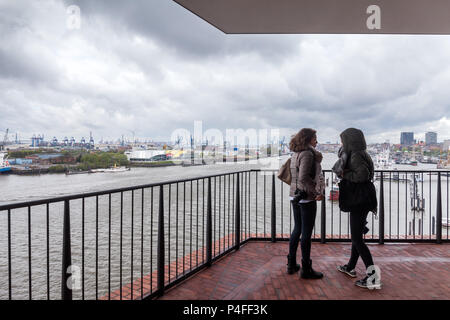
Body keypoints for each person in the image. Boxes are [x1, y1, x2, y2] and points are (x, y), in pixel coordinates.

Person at [332, 128, 381, 289]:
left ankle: (373, 277)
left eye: (343, 140)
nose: (341, 144)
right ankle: (350, 266)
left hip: (359, 199)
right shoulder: (363, 153)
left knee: (357, 239)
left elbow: (362, 175)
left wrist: (344, 175)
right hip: (364, 197)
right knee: (357, 236)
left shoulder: (355, 155)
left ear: (349, 141)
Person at [287, 128, 324, 279]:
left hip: (294, 195)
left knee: (297, 229)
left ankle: (291, 264)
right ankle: (306, 269)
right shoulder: (308, 154)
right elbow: (303, 177)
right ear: (308, 139)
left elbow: (296, 177)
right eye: (315, 138)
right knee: (306, 233)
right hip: (305, 197)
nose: (317, 141)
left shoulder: (296, 153)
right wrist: (316, 193)